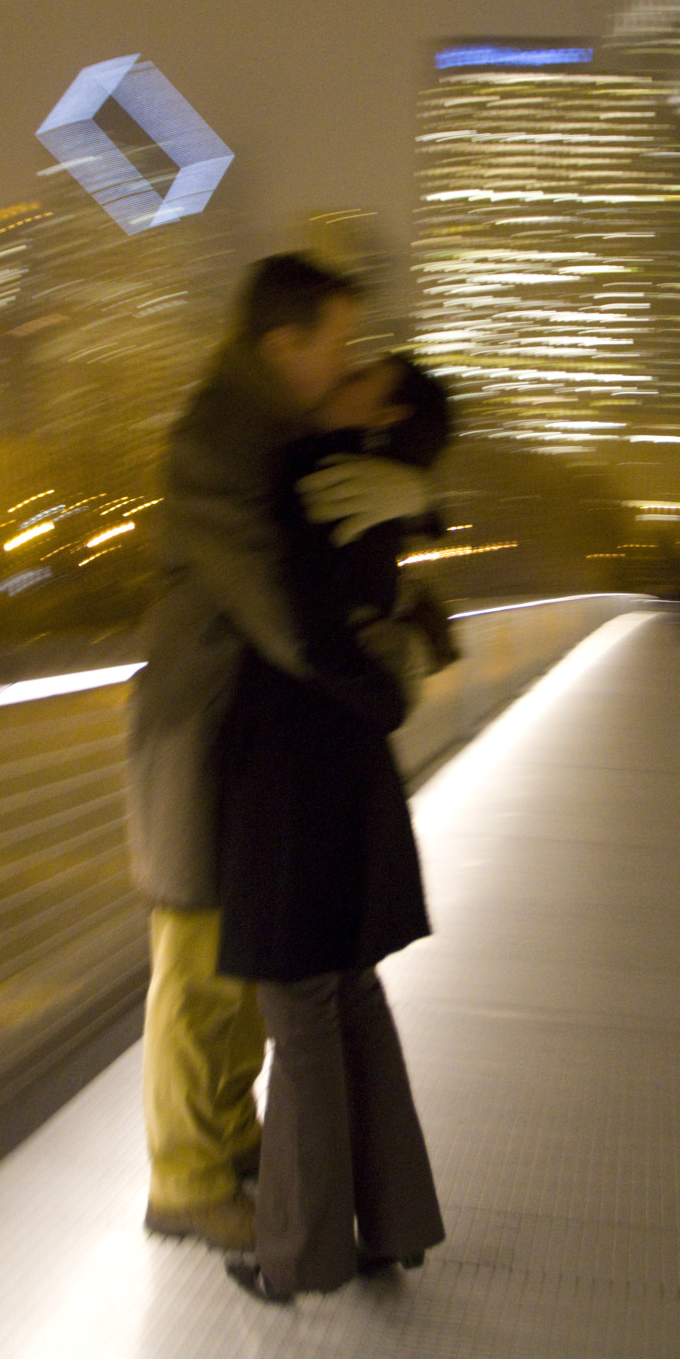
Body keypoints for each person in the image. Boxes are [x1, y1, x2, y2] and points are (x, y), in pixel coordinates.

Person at [128, 254, 432, 1251]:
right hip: (202, 734)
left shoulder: (276, 428)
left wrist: (413, 494)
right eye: (334, 343)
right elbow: (284, 604)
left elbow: (356, 486)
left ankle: (230, 1138)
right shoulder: (221, 436)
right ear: (282, 344)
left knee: (241, 963)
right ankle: (184, 1178)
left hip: (251, 742)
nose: (347, 360)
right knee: (196, 972)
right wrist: (382, 674)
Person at [215, 355, 453, 1302]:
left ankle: (298, 1255)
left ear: (389, 408)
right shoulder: (381, 485)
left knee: (300, 1008)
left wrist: (380, 691)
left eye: (364, 371)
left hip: (296, 782)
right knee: (350, 994)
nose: (342, 373)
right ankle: (395, 1222)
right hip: (349, 785)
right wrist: (425, 491)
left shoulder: (315, 467)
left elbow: (314, 639)